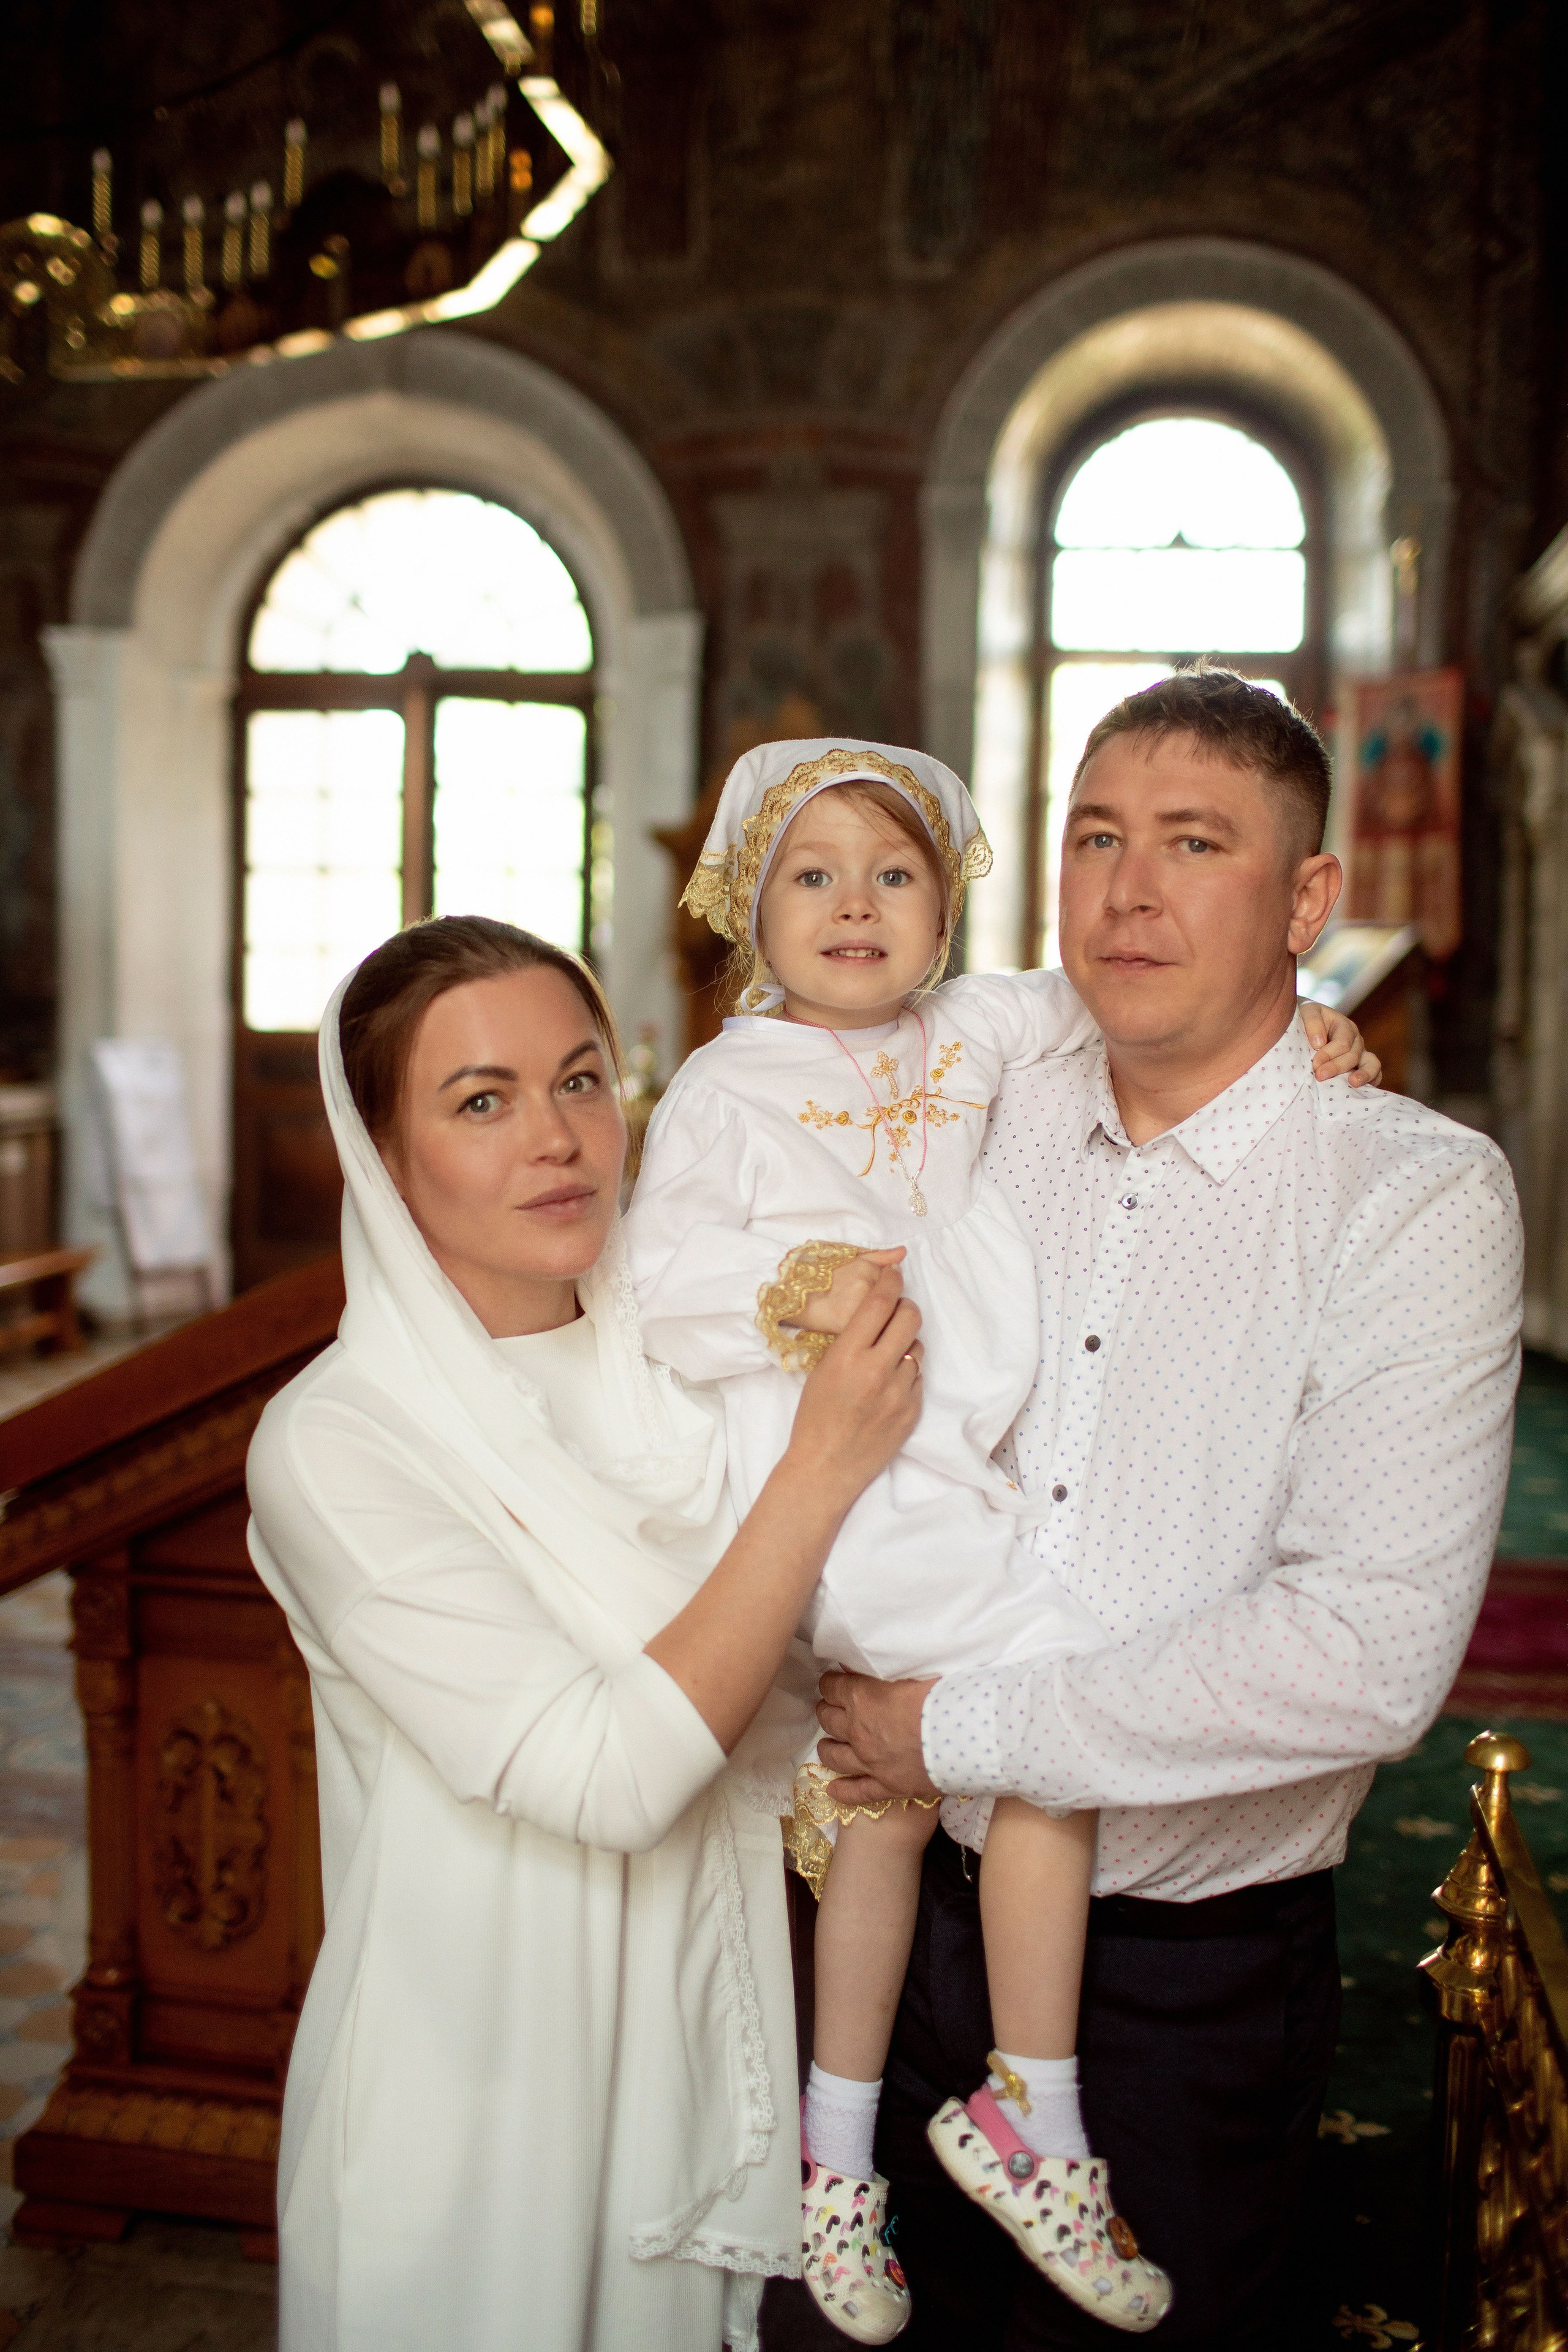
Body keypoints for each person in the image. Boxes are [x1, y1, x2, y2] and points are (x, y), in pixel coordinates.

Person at [626, 737, 1375, 2343]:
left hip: (948, 1471)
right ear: (746, 904)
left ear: (947, 905)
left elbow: (1141, 1001)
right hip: (841, 1477)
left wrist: (1305, 1022)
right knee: (1045, 1722)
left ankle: (840, 2176)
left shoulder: (976, 1028)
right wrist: (800, 1290)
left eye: (896, 875)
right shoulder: (725, 1084)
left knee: (896, 1816)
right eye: (811, 875)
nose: (854, 906)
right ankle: (1031, 2112)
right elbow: (661, 1285)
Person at [810, 671, 1524, 2350]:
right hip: (886, 1919)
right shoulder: (960, 1111)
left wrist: (954, 1727)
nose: (1127, 890)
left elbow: (1362, 1654)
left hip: (1178, 1981)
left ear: (1307, 898)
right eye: (1094, 839)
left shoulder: (1409, 1195)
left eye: (1194, 845)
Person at [244, 914, 925, 2352]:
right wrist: (819, 1472)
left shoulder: (693, 1348)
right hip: (485, 2092)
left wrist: (1282, 1051)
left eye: (578, 1079)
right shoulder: (339, 1443)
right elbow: (607, 1778)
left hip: (712, 2028)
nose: (554, 1137)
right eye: (479, 1101)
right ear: (381, 1153)